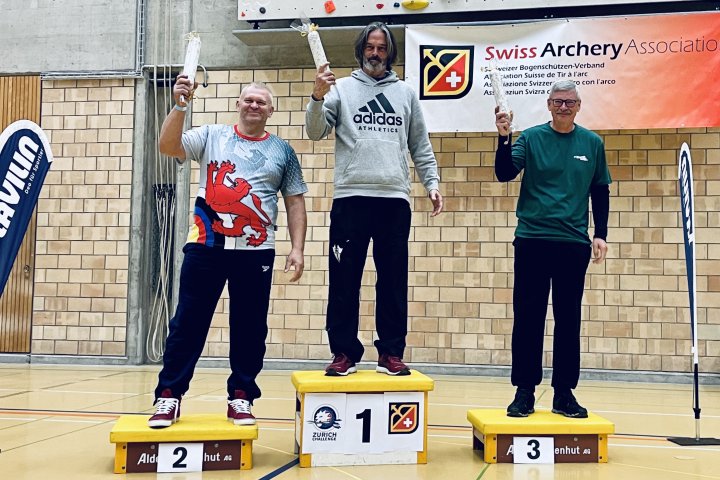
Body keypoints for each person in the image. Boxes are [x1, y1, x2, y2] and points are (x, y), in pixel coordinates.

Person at [148, 77, 308, 428]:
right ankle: (169, 395)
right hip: (206, 246)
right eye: (248, 99)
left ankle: (241, 397)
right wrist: (179, 105)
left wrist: (297, 248)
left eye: (261, 102)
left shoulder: (283, 151)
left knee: (250, 327)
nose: (254, 105)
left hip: (256, 251)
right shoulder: (211, 136)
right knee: (188, 323)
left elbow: (295, 201)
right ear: (238, 104)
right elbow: (167, 145)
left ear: (271, 110)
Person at [305, 22, 443, 377]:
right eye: (370, 47)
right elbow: (315, 131)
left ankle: (391, 352)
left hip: (393, 200)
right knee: (344, 280)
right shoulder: (340, 89)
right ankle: (344, 352)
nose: (376, 53)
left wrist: (431, 183)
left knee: (393, 281)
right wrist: (317, 97)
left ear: (390, 53)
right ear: (361, 50)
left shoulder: (406, 93)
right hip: (351, 198)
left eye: (382, 48)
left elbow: (420, 144)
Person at [494, 80, 610, 418]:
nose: (563, 107)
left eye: (569, 102)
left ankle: (564, 394)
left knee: (568, 319)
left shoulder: (592, 143)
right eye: (558, 101)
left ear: (578, 106)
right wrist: (504, 138)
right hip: (532, 240)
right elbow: (504, 173)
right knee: (528, 318)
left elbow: (600, 189)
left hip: (573, 244)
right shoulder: (530, 138)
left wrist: (600, 234)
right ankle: (524, 392)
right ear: (548, 104)